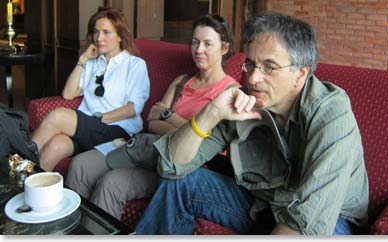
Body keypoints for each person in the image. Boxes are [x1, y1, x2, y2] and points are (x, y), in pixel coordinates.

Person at [134, 11, 369, 235]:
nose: (253, 78)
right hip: (264, 203)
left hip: (332, 217)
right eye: (251, 64)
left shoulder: (332, 112)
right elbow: (171, 165)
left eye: (269, 67)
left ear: (301, 74)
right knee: (183, 183)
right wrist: (211, 112)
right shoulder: (245, 100)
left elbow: (308, 221)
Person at [65, 14, 238, 220]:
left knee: (111, 183)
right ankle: (71, 229)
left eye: (208, 44)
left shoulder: (231, 92)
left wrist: (168, 115)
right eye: (195, 42)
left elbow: (206, 144)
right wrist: (186, 129)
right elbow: (152, 122)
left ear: (224, 48)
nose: (199, 50)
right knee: (80, 166)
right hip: (145, 147)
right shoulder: (181, 81)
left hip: (177, 165)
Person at [31, 7, 150, 172]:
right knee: (54, 147)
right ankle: (28, 189)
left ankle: (19, 162)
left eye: (106, 32)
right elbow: (68, 94)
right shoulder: (93, 62)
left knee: (58, 116)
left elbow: (133, 108)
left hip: (116, 129)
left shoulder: (135, 65)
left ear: (119, 36)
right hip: (87, 127)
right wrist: (83, 59)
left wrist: (100, 118)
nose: (99, 38)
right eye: (96, 32)